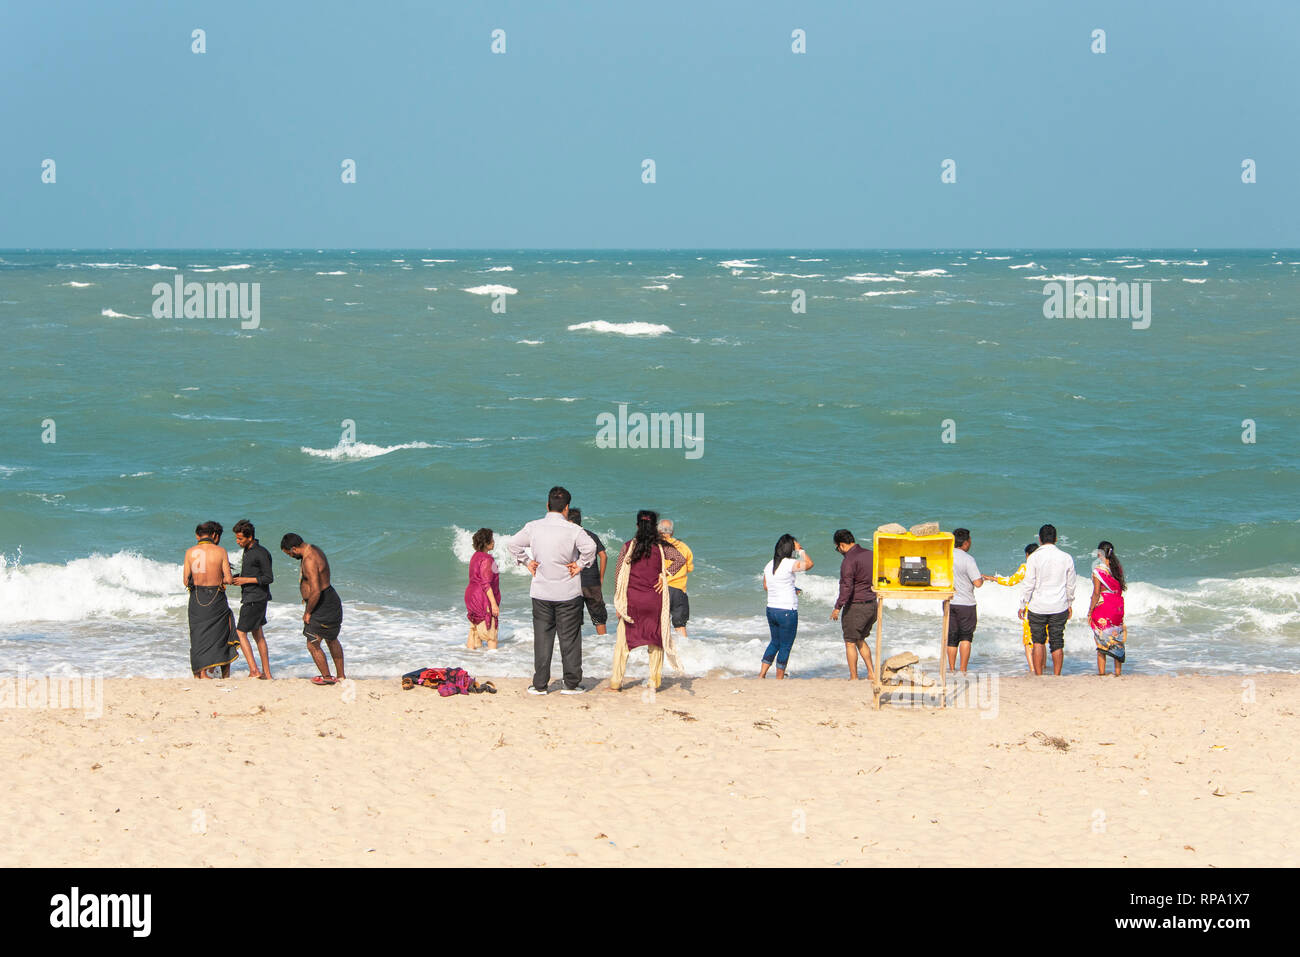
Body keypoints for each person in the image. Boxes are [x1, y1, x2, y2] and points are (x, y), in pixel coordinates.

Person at [507, 486, 597, 695]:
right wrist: (581, 564)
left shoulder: (533, 527)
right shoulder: (574, 530)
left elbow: (513, 544)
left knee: (543, 638)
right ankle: (571, 684)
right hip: (568, 593)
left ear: (547, 506)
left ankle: (540, 685)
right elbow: (590, 548)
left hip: (541, 592)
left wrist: (527, 561)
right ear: (566, 508)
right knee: (570, 638)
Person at [610, 510, 688, 692]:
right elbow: (680, 559)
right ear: (655, 528)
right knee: (655, 642)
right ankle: (654, 682)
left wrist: (618, 601)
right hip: (655, 601)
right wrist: (665, 574)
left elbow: (619, 574)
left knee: (623, 644)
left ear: (637, 526)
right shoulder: (662, 547)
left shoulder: (628, 546)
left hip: (632, 602)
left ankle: (616, 683)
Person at [281, 533, 346, 685]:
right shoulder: (314, 549)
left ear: (294, 549)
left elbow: (315, 590)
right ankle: (341, 676)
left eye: (289, 553)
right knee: (331, 639)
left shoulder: (309, 560)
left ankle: (327, 677)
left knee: (312, 643)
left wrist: (308, 612)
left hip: (322, 603)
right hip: (329, 599)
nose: (290, 556)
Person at [182, 521, 240, 679]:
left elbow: (186, 581)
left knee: (198, 635)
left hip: (197, 598)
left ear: (197, 535)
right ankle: (225, 674)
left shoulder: (190, 552)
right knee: (222, 633)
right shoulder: (220, 551)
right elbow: (228, 579)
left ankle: (201, 673)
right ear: (213, 535)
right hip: (216, 598)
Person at [1020, 523, 1077, 676]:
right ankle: (1057, 675)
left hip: (1037, 606)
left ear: (1039, 539)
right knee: (1057, 642)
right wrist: (1070, 603)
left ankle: (1039, 675)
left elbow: (1028, 584)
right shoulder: (1066, 558)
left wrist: (1023, 604)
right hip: (1059, 606)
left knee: (1038, 642)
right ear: (1056, 539)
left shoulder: (1034, 558)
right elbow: (1070, 585)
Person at [760, 534, 813, 679]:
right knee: (785, 645)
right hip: (787, 611)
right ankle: (779, 678)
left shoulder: (769, 564)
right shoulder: (789, 563)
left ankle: (762, 674)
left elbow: (766, 586)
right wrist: (801, 550)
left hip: (771, 609)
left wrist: (790, 587)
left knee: (774, 642)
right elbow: (809, 564)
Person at [829, 529, 876, 681]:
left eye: (837, 548)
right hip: (872, 605)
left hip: (856, 606)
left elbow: (847, 587)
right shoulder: (871, 554)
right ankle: (871, 673)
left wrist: (838, 607)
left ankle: (854, 676)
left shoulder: (849, 560)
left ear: (841, 545)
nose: (839, 551)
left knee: (850, 641)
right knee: (860, 639)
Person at [231, 519, 274, 679]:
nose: (238, 541)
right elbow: (252, 574)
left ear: (250, 537)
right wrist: (237, 579)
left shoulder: (260, 553)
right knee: (258, 635)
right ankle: (267, 674)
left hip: (255, 598)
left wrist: (245, 580)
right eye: (237, 538)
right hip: (254, 597)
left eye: (240, 539)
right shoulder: (248, 551)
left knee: (240, 632)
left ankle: (254, 670)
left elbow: (268, 578)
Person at [987, 543, 1039, 672]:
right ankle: (1041, 667)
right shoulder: (1045, 567)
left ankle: (1033, 669)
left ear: (1027, 555)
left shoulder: (1026, 567)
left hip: (1030, 607)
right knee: (1041, 640)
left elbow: (1011, 581)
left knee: (1028, 641)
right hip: (1046, 606)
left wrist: (993, 579)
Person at [948, 528, 987, 674]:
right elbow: (977, 582)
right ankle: (963, 669)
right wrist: (982, 578)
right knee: (965, 637)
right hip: (966, 603)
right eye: (969, 540)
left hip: (949, 602)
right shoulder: (968, 559)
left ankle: (951, 669)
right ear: (965, 543)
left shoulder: (946, 556)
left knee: (952, 638)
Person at [568, 509, 608, 636]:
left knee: (574, 619)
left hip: (575, 582)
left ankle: (575, 648)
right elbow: (604, 556)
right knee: (599, 617)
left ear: (570, 522)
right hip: (592, 581)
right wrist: (601, 577)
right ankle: (604, 644)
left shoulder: (568, 538)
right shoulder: (591, 535)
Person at [1090, 540, 1127, 676]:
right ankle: (1118, 673)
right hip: (1117, 608)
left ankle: (1102, 673)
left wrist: (1090, 611)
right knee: (1116, 640)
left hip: (1104, 607)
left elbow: (1096, 593)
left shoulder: (1098, 570)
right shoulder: (1118, 568)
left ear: (1100, 553)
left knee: (1101, 642)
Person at [464, 527, 501, 650]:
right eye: (492, 539)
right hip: (482, 597)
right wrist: (494, 604)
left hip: (471, 595)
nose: (494, 542)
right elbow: (486, 584)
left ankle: (471, 659)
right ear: (486, 543)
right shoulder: (487, 559)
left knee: (474, 630)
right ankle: (493, 662)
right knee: (491, 635)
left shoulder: (475, 556)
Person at [657, 518, 694, 638]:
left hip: (661, 588)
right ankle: (685, 651)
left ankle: (662, 652)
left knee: (661, 623)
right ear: (672, 532)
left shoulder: (656, 547)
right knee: (680, 624)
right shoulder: (684, 547)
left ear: (658, 531)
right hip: (679, 589)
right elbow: (689, 568)